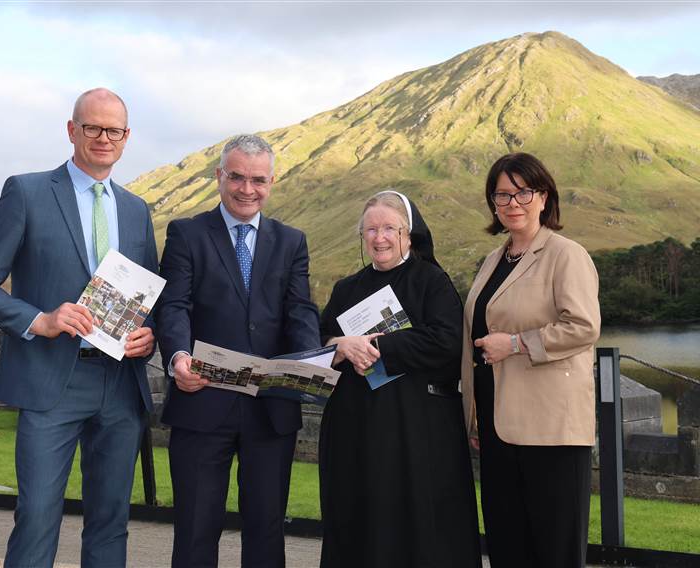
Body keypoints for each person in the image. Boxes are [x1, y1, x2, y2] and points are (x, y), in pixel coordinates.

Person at [0, 88, 158, 568]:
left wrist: (148, 337)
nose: (103, 138)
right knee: (37, 517)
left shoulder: (137, 209)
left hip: (119, 385)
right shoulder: (26, 192)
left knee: (111, 523)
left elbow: (149, 297)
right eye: (93, 127)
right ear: (72, 130)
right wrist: (39, 320)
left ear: (126, 137)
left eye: (114, 130)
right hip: (50, 382)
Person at [155, 134, 320, 567]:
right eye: (238, 177)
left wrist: (307, 362)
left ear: (272, 181)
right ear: (219, 177)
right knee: (195, 529)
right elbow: (174, 306)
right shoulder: (187, 234)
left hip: (271, 408)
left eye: (259, 180)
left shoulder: (291, 242)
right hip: (201, 402)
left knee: (266, 532)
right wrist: (177, 359)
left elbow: (299, 309)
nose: (248, 189)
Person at [318, 190, 482, 568]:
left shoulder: (431, 281)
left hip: (417, 431)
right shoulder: (347, 288)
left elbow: (446, 341)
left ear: (408, 234)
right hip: (356, 431)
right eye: (371, 230)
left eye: (390, 228)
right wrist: (340, 345)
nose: (380, 238)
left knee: (420, 528)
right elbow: (320, 339)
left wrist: (376, 346)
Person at [462, 152, 601, 568]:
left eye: (524, 192)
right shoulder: (492, 261)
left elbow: (583, 326)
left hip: (550, 430)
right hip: (495, 424)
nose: (512, 203)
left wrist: (518, 344)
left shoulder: (566, 254)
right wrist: (473, 416)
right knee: (508, 546)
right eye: (502, 195)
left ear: (544, 197)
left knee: (554, 550)